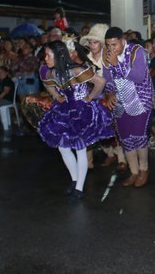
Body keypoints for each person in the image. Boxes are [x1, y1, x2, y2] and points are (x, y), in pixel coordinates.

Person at [38, 41, 113, 200]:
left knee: (80, 149)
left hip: (81, 112)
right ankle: (74, 180)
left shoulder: (76, 70)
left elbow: (101, 82)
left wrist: (90, 97)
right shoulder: (52, 73)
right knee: (63, 148)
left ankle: (79, 188)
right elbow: (48, 84)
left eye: (48, 55)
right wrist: (56, 95)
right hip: (64, 111)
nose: (45, 58)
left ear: (59, 56)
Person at [102, 27, 155, 187]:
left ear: (122, 40)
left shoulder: (136, 51)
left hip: (141, 99)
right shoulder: (107, 55)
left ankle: (144, 169)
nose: (111, 49)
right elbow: (107, 79)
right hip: (120, 101)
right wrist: (109, 93)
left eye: (114, 45)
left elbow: (138, 77)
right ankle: (134, 172)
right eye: (108, 45)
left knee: (139, 137)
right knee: (126, 138)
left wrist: (117, 64)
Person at [79, 23, 127, 170]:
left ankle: (120, 158)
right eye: (90, 42)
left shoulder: (109, 59)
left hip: (109, 96)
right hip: (90, 97)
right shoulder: (85, 59)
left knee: (113, 129)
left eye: (95, 42)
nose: (92, 45)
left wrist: (109, 92)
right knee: (91, 128)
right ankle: (94, 160)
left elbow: (116, 79)